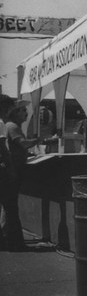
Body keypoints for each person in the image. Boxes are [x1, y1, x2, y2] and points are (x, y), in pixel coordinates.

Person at [0, 94, 28, 251]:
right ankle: (15, 243)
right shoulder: (2, 124)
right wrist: (10, 169)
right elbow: (3, 149)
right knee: (10, 206)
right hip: (3, 168)